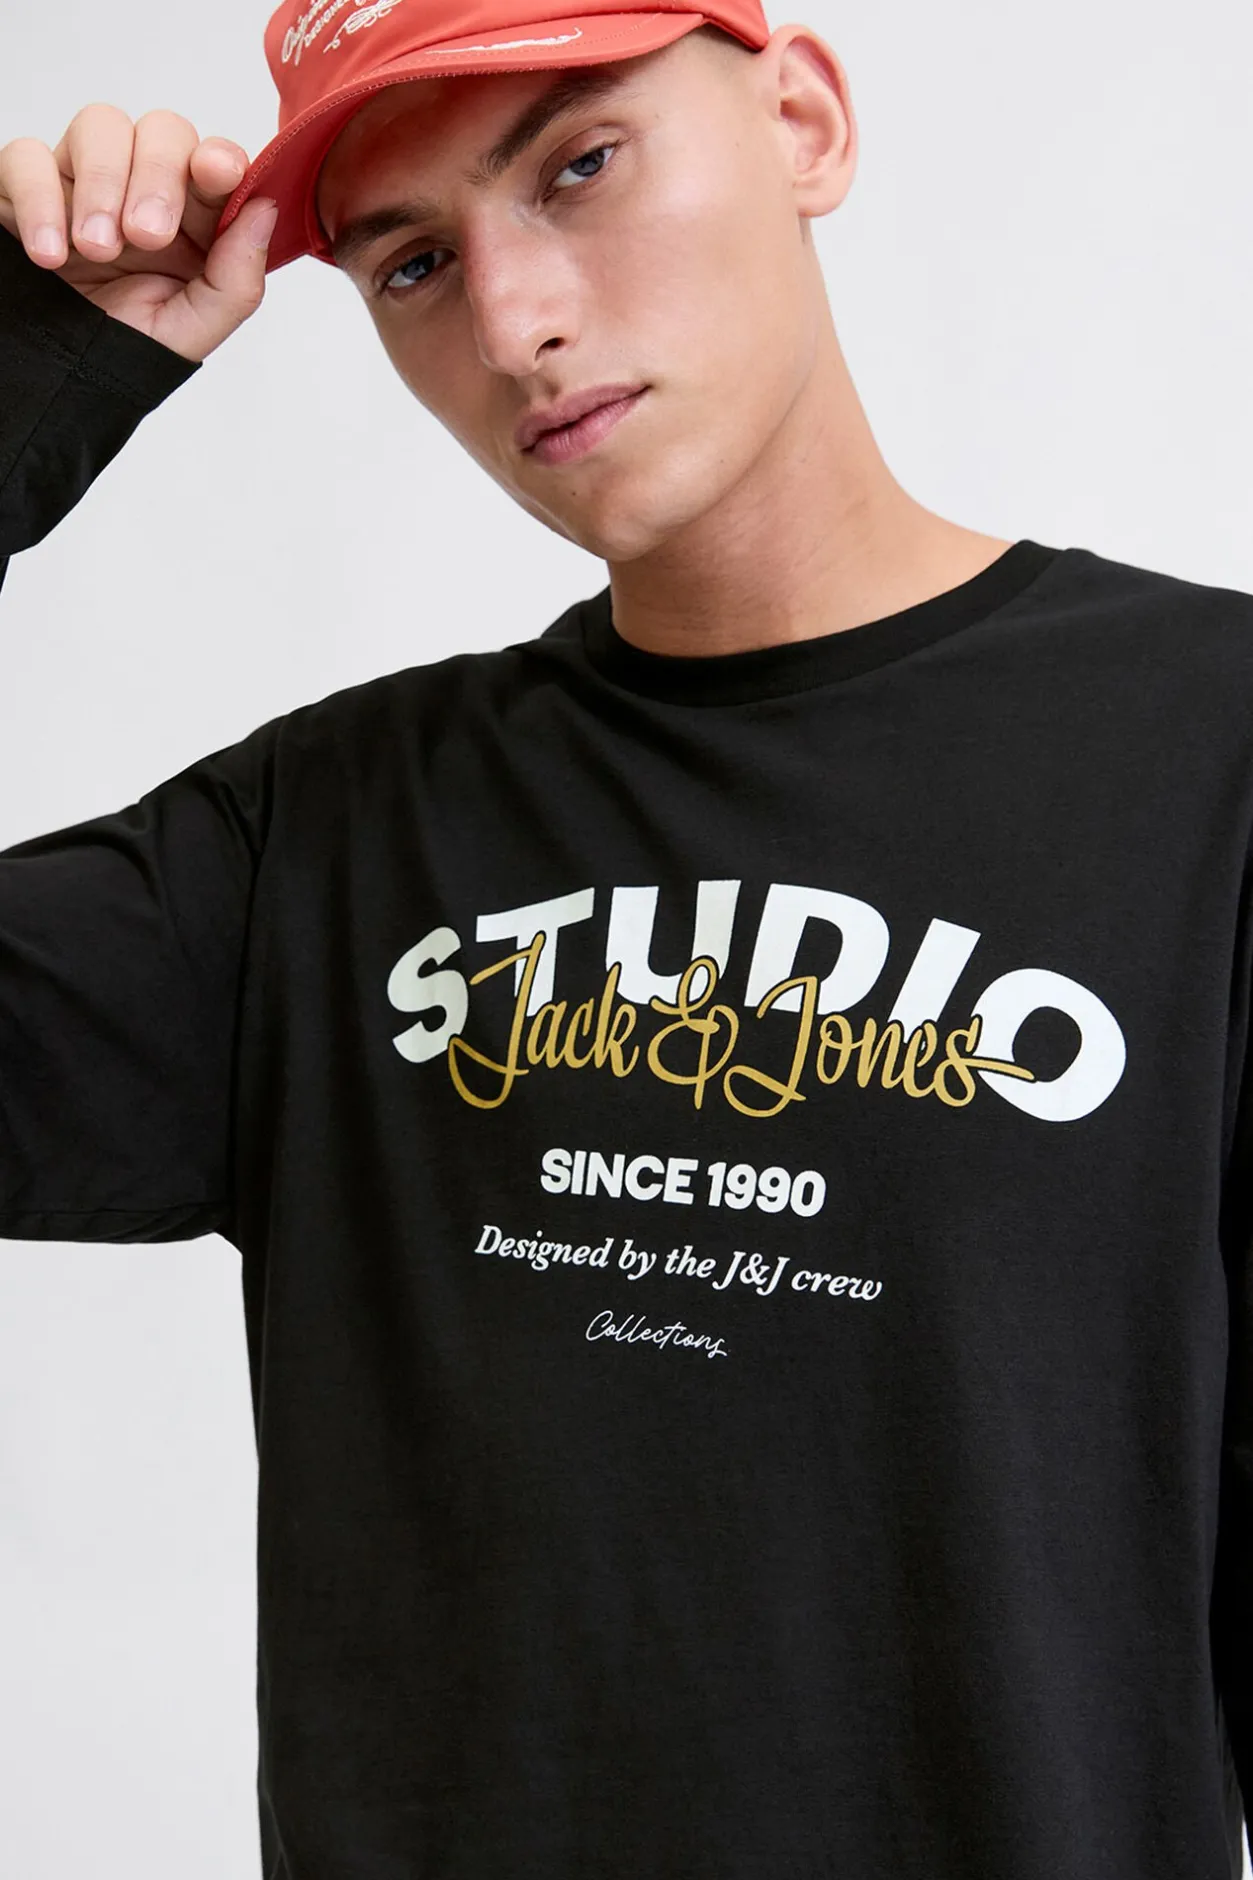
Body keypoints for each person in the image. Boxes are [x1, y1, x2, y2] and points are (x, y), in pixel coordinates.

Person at [0, 1, 1250, 1876]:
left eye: (579, 165)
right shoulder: (321, 848)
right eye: (413, 264)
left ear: (804, 123)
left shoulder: (1213, 757)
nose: (512, 323)